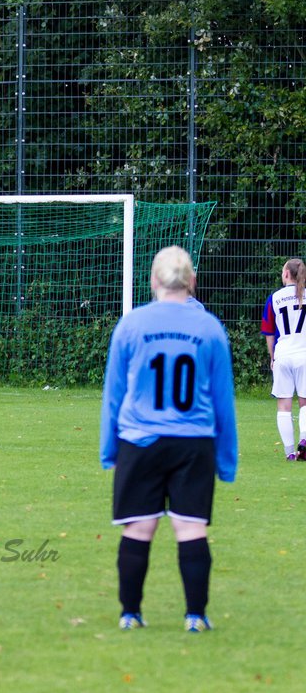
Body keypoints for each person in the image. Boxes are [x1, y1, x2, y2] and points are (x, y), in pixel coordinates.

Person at [100, 246, 238, 634]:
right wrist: (226, 461)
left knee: (138, 528)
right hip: (193, 443)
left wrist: (110, 449)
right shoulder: (210, 327)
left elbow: (113, 395)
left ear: (153, 281)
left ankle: (130, 614)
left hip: (140, 441)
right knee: (191, 528)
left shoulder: (131, 325)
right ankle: (195, 616)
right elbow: (223, 402)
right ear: (192, 281)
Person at [260, 258, 306, 461]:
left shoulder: (274, 298)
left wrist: (273, 358)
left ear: (286, 274)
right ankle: (304, 441)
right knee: (305, 404)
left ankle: (289, 453)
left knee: (284, 407)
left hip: (283, 354)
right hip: (304, 354)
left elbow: (269, 333)